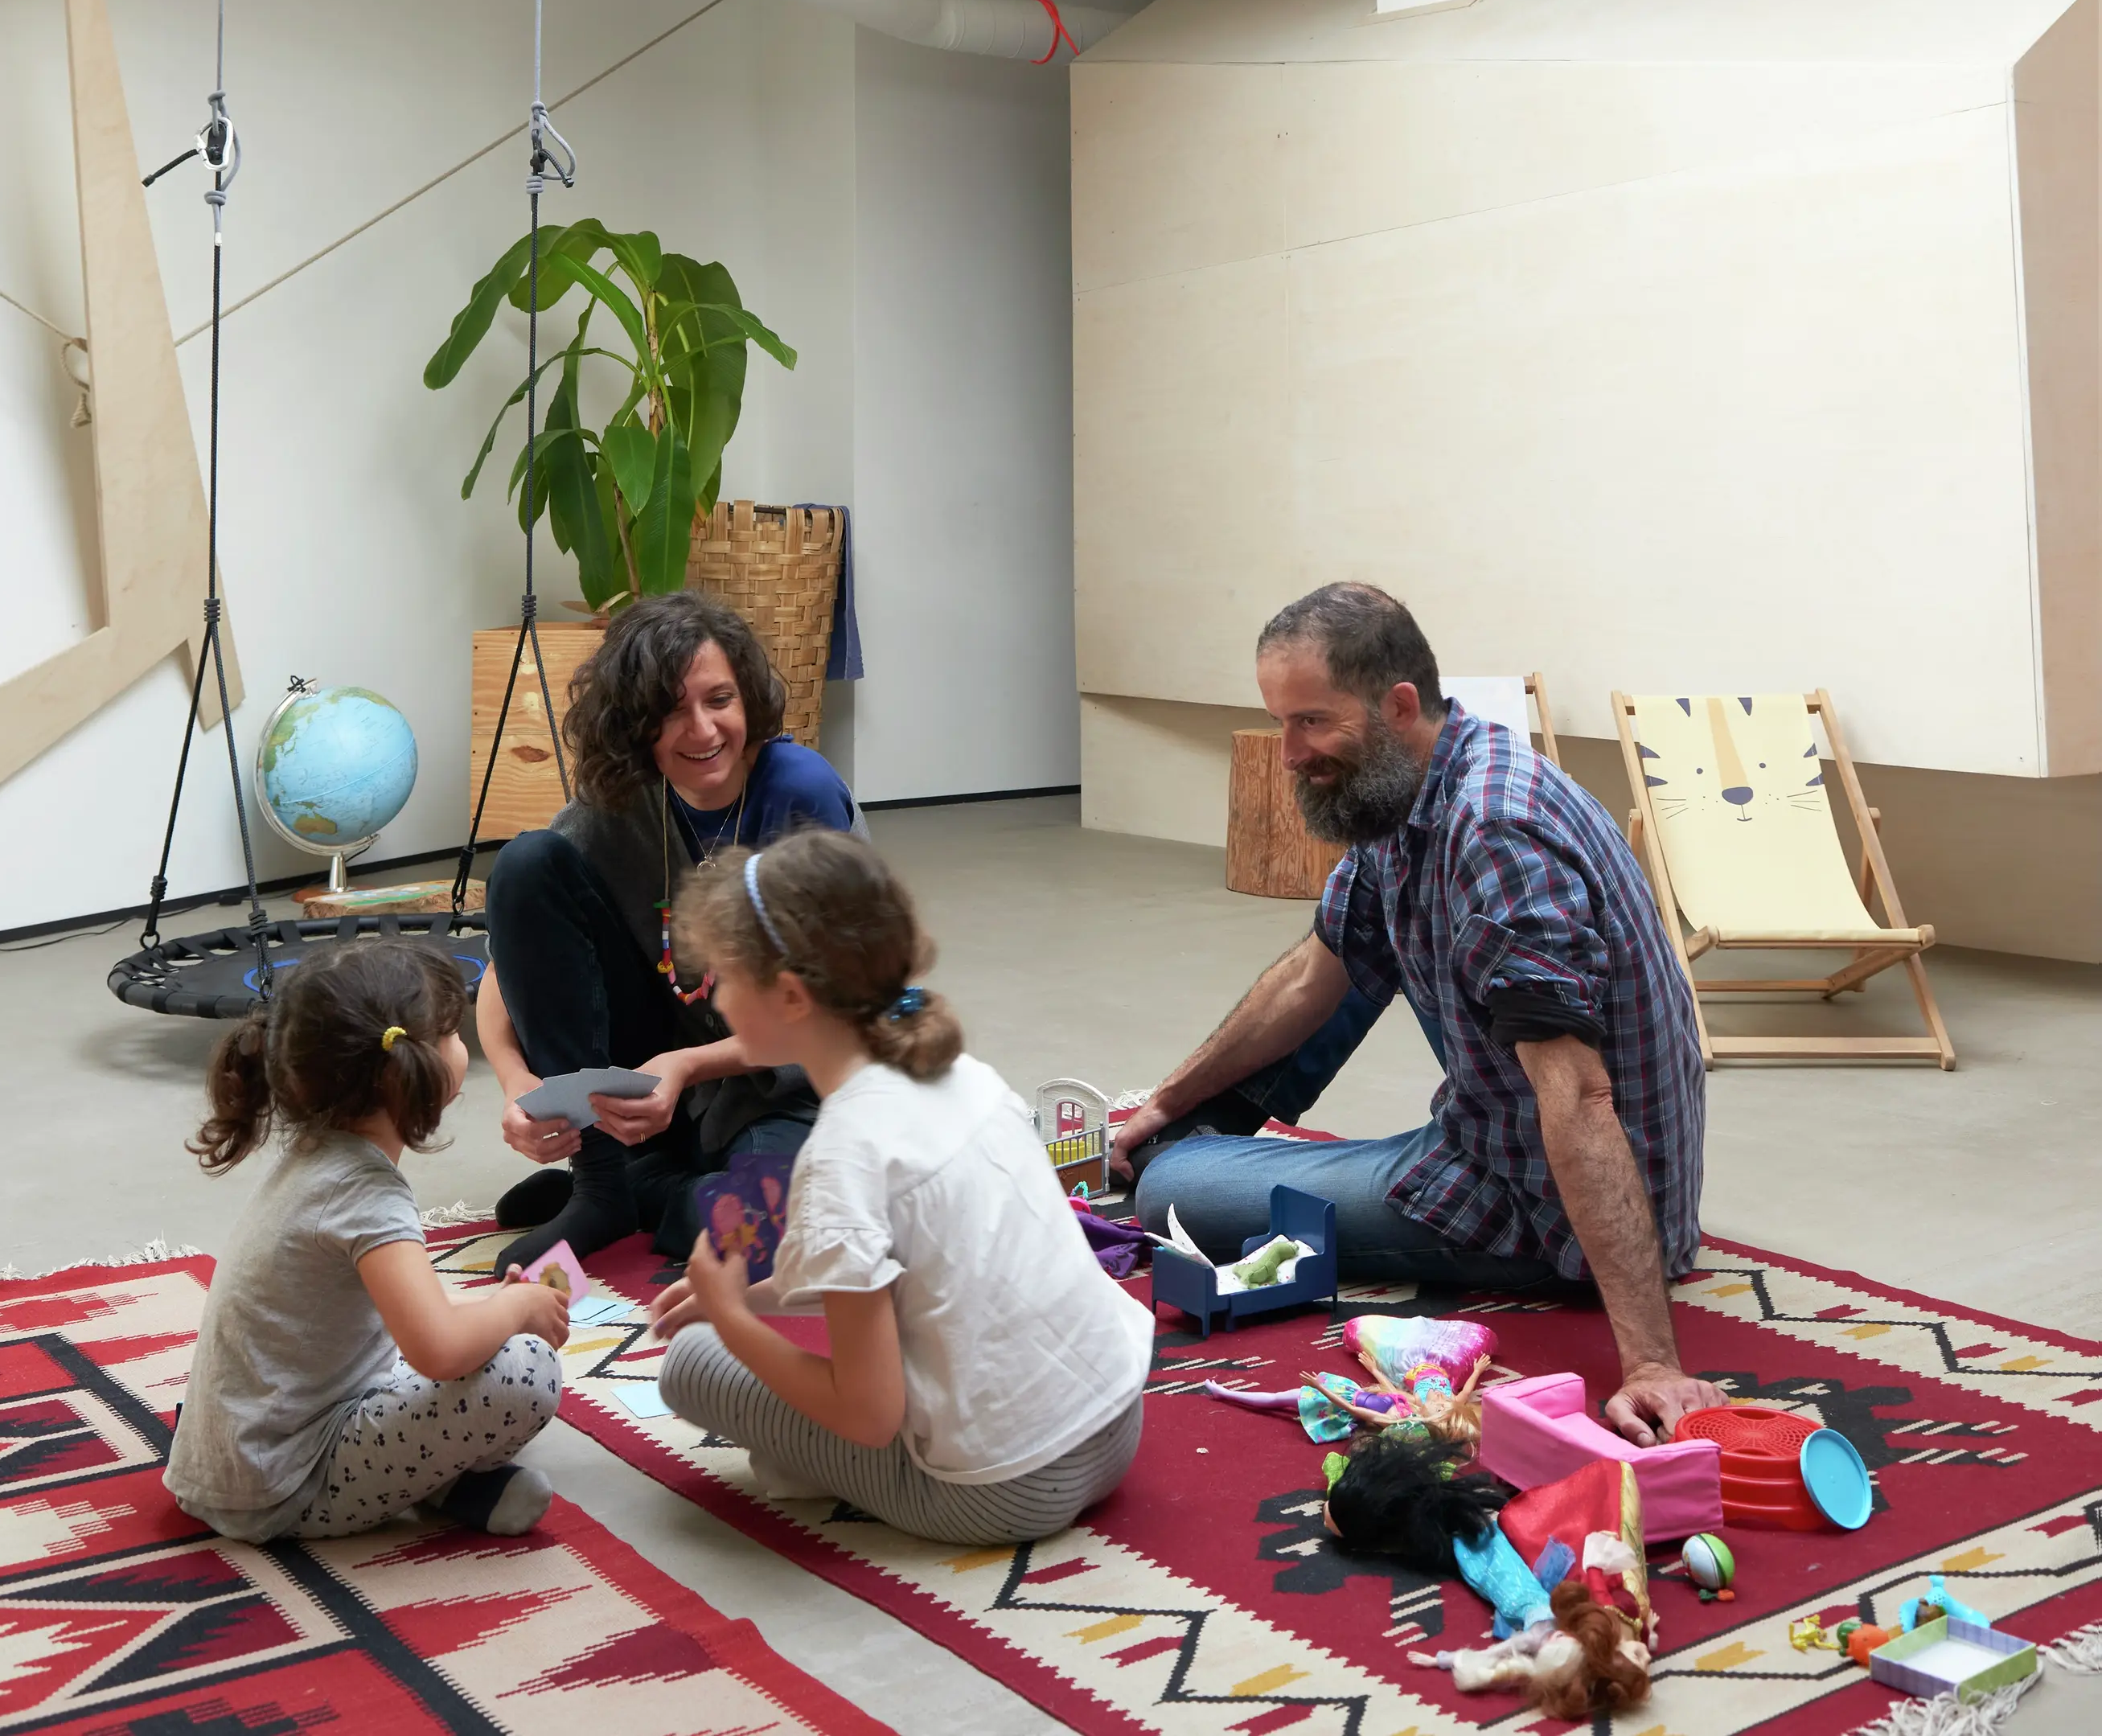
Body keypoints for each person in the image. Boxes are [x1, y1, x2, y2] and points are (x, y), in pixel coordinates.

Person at [1115, 583, 1723, 1449]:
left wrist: (1653, 1363)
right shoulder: (1423, 779)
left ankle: (1198, 1152)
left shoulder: (1495, 833)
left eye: (1312, 722)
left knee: (1172, 1188)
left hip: (1544, 1206)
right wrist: (1167, 1100)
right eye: (1282, 722)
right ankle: (1199, 1127)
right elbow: (1313, 977)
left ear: (1399, 705)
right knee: (1351, 945)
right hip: (1510, 1124)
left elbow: (1582, 1096)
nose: (1289, 753)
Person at [647, 832, 1151, 1540]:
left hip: (1003, 1493)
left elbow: (867, 1415)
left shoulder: (841, 1155)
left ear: (790, 995)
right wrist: (757, 1293)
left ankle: (811, 1473)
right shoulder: (967, 1075)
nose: (717, 1001)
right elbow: (927, 1254)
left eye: (723, 980)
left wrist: (732, 1320)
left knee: (692, 1365)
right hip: (1115, 1428)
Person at [480, 593, 857, 1273]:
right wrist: (518, 1091)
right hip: (667, 1084)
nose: (702, 729)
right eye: (670, 710)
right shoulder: (616, 804)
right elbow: (501, 982)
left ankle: (637, 1186)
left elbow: (840, 1011)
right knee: (525, 863)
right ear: (633, 723)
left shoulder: (799, 791)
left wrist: (687, 1067)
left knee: (766, 1239)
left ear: (750, 698)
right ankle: (601, 1181)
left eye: (719, 699)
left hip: (791, 1081)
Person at [165, 935, 568, 1542]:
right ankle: (445, 1483)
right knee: (526, 1371)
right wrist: (513, 1311)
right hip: (283, 1486)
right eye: (454, 1035)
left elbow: (390, 1312)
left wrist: (491, 1310)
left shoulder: (318, 1158)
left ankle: (443, 1480)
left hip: (239, 1456)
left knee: (470, 1329)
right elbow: (437, 1350)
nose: (465, 1047)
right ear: (410, 1071)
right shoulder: (366, 1194)